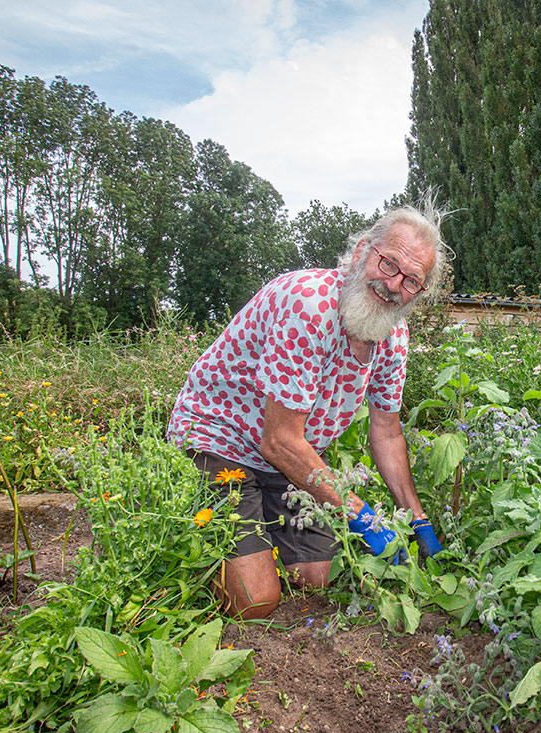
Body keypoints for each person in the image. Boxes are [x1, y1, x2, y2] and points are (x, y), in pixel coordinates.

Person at [168, 203, 448, 619]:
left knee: (320, 574)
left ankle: (251, 530)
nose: (393, 285)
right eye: (389, 264)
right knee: (254, 600)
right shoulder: (308, 306)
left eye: (411, 281)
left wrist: (419, 519)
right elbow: (279, 439)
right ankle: (187, 530)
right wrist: (362, 516)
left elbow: (386, 432)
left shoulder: (393, 333)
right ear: (360, 253)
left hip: (285, 463)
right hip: (220, 443)